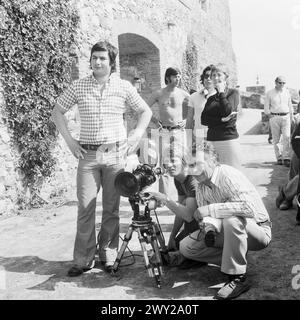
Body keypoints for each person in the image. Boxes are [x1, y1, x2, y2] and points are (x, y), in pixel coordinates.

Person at [51, 41, 152, 277]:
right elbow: (57, 111)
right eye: (94, 57)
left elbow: (145, 111)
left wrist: (136, 134)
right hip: (87, 155)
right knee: (85, 207)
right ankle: (83, 260)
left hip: (115, 154)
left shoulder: (124, 86)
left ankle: (108, 255)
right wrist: (70, 141)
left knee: (111, 208)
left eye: (102, 58)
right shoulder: (78, 86)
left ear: (111, 62)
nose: (97, 62)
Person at [149, 142, 272, 300]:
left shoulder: (227, 174)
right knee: (186, 247)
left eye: (200, 163)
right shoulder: (201, 185)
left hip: (258, 230)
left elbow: (249, 209)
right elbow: (202, 216)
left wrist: (210, 210)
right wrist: (206, 225)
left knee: (231, 219)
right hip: (227, 231)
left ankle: (237, 277)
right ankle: (236, 257)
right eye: (192, 164)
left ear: (214, 161)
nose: (195, 169)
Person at [141, 67, 190, 196]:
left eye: (179, 76)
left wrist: (186, 120)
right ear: (168, 77)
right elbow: (144, 108)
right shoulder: (159, 93)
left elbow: (195, 106)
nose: (178, 79)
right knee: (165, 165)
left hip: (179, 132)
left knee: (182, 162)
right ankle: (164, 198)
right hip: (164, 132)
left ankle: (186, 194)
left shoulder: (183, 94)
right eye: (175, 76)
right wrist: (155, 121)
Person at [201, 63, 242, 169]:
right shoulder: (211, 98)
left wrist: (221, 92)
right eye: (213, 75)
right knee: (214, 177)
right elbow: (204, 120)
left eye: (219, 75)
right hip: (212, 141)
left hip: (227, 141)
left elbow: (227, 112)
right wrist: (221, 120)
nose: (215, 77)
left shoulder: (233, 93)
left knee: (231, 176)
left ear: (225, 77)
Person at [264, 76, 293, 166]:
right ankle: (279, 157)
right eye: (280, 82)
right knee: (276, 139)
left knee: (287, 137)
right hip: (275, 117)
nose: (282, 84)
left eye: (284, 83)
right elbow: (266, 106)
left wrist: (291, 117)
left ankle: (286, 157)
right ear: (275, 83)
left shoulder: (287, 92)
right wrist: (269, 114)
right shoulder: (270, 93)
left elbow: (290, 105)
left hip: (286, 117)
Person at [186, 65, 217, 147]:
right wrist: (189, 138)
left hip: (216, 138)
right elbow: (189, 120)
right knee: (199, 160)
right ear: (203, 79)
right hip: (198, 137)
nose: (208, 79)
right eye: (206, 76)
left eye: (211, 76)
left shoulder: (221, 97)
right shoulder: (193, 97)